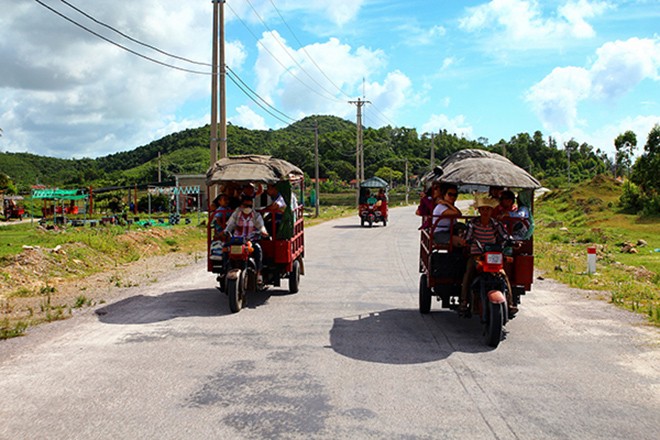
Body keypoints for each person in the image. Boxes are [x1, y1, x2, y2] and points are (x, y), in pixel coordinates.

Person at [458, 194, 516, 316]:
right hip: (477, 256)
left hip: (493, 257)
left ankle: (510, 304)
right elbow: (467, 236)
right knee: (468, 273)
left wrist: (511, 241)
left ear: (492, 210)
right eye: (483, 209)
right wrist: (467, 240)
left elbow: (505, 235)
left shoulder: (495, 224)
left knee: (503, 275)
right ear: (479, 210)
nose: (485, 212)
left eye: (488, 209)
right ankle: (463, 302)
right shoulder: (472, 224)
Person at [221, 194, 269, 283]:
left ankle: (259, 273)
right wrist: (225, 231)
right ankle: (224, 271)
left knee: (258, 249)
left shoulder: (256, 215)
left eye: (250, 206)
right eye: (246, 205)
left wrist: (263, 231)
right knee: (225, 248)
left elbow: (261, 225)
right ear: (241, 205)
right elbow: (230, 225)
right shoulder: (236, 214)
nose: (248, 208)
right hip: (236, 240)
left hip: (250, 241)